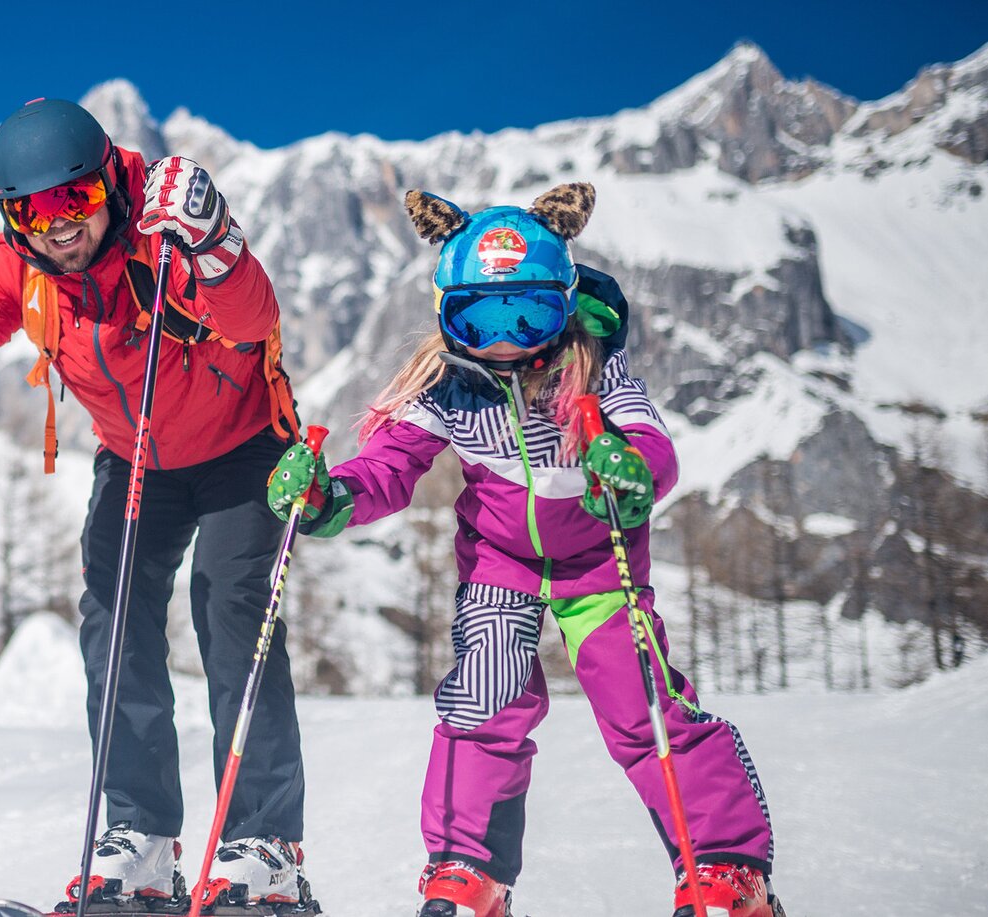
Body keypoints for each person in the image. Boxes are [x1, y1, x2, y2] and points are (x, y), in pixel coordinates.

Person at [0, 98, 312, 905]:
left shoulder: (162, 227)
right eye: (33, 212)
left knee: (230, 609)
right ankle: (142, 839)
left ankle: (264, 844)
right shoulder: (20, 268)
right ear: (10, 216)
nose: (57, 227)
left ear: (105, 187)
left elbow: (253, 317)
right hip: (135, 460)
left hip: (240, 445)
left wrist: (214, 239)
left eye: (74, 202)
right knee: (112, 617)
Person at [268, 184, 783, 917]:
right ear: (448, 316)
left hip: (599, 564)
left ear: (562, 307)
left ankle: (724, 871)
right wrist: (330, 495)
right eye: (477, 318)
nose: (505, 339)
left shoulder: (594, 368)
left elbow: (647, 439)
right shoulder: (448, 385)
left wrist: (629, 469)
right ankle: (465, 871)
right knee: (484, 694)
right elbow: (388, 467)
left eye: (527, 313)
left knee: (640, 705)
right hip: (499, 565)